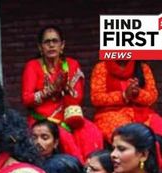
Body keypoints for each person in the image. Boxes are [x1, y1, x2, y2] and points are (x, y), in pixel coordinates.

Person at [22, 25, 102, 162]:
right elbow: (27, 99)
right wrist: (50, 90)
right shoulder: (33, 66)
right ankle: (80, 168)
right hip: (42, 118)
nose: (51, 45)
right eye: (47, 42)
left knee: (91, 130)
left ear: (62, 45)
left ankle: (95, 167)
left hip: (68, 116)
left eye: (55, 41)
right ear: (40, 47)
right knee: (64, 137)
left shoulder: (72, 64)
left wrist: (66, 88)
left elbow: (78, 98)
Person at [90, 60, 162, 146]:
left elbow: (152, 97)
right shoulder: (102, 67)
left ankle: (151, 154)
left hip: (142, 113)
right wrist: (124, 95)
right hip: (110, 114)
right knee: (129, 134)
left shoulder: (143, 68)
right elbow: (96, 98)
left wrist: (137, 93)